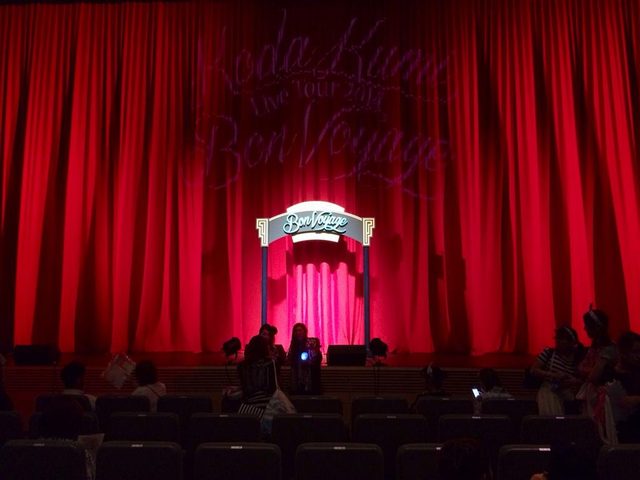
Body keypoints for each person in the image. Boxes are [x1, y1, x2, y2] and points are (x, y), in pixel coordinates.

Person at [530, 326, 583, 415]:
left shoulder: (577, 358)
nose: (558, 341)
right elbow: (534, 370)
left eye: (562, 339)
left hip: (568, 395)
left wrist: (572, 381)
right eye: (558, 338)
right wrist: (553, 375)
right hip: (549, 391)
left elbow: (582, 379)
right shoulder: (549, 353)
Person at [576, 308, 617, 419]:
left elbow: (593, 376)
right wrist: (592, 370)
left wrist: (590, 371)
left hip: (603, 394)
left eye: (587, 325)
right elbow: (580, 368)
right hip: (591, 392)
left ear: (596, 327)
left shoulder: (608, 349)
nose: (584, 328)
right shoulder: (594, 347)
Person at [607, 331, 640, 442]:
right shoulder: (610, 374)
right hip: (620, 428)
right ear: (623, 352)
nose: (639, 356)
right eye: (635, 352)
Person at [237, 335, 277, 417]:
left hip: (248, 405)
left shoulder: (242, 365)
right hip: (267, 404)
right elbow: (273, 387)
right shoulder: (270, 363)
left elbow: (244, 386)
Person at [287, 323, 322, 395]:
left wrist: (313, 350)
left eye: (300, 330)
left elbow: (317, 358)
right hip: (296, 377)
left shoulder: (311, 342)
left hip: (310, 377)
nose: (298, 333)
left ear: (304, 331)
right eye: (296, 331)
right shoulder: (293, 345)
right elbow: (289, 359)